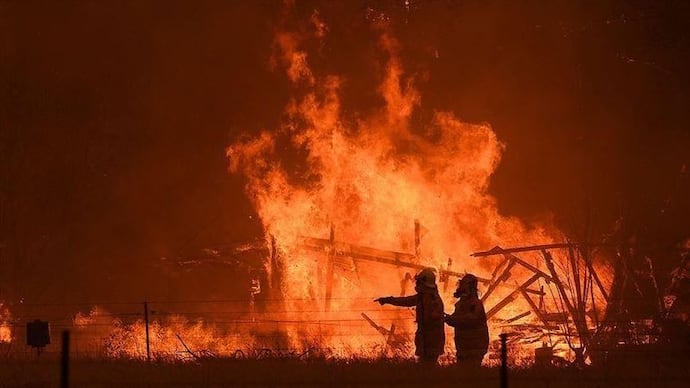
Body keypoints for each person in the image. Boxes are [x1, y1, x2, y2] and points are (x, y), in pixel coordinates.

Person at [375, 268, 445, 363]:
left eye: (419, 282)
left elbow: (432, 320)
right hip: (426, 339)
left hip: (431, 340)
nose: (416, 285)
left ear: (424, 283)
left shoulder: (432, 300)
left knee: (428, 366)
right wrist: (387, 300)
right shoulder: (424, 297)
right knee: (424, 367)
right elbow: (406, 301)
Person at [444, 274, 489, 367]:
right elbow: (456, 319)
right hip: (463, 345)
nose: (461, 286)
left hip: (475, 346)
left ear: (470, 286)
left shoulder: (475, 303)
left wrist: (451, 319)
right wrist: (446, 318)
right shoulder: (460, 303)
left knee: (472, 374)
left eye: (464, 284)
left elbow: (471, 318)